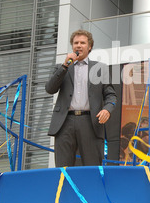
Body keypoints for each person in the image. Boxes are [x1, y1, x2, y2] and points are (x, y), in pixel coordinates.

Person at [46, 29, 117, 167]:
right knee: (63, 168)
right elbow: (50, 89)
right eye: (75, 43)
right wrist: (64, 66)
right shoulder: (62, 68)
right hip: (64, 122)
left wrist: (107, 110)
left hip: (90, 122)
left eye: (82, 43)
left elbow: (111, 95)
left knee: (92, 168)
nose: (78, 45)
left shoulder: (99, 68)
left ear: (89, 46)